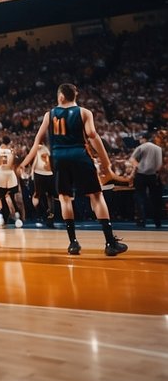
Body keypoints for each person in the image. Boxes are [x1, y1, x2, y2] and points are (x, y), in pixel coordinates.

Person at [18, 83, 127, 257]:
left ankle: (73, 243)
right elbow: (92, 135)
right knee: (97, 196)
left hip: (59, 159)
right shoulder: (84, 112)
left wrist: (24, 163)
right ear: (74, 96)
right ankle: (110, 242)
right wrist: (106, 163)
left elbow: (37, 141)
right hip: (79, 155)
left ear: (61, 96)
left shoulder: (49, 114)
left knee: (64, 198)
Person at [129, 132, 162, 228]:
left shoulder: (141, 147)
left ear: (143, 139)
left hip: (141, 175)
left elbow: (132, 159)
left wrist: (138, 166)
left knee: (140, 197)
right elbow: (159, 164)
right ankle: (157, 221)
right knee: (156, 199)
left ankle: (141, 220)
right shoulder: (158, 148)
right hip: (153, 176)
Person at [0, 135, 24, 228]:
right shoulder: (11, 151)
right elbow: (14, 165)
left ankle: (0, 216)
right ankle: (17, 217)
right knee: (11, 197)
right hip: (10, 175)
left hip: (1, 174)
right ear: (9, 142)